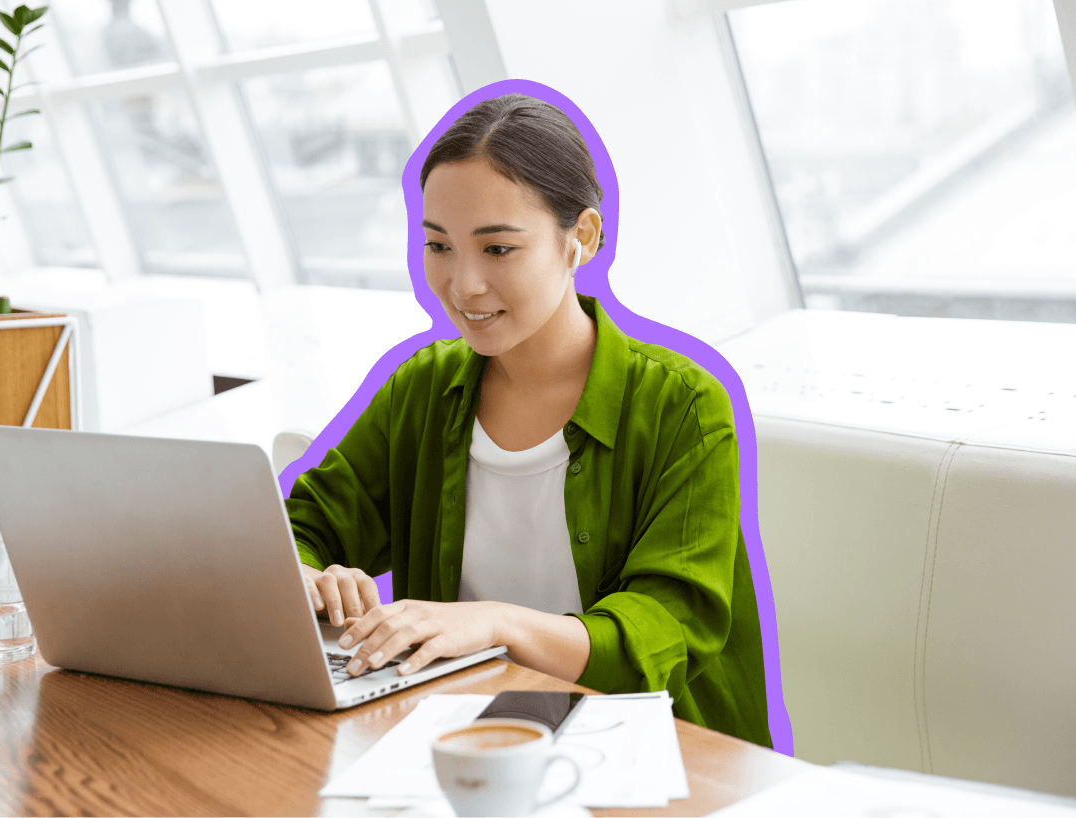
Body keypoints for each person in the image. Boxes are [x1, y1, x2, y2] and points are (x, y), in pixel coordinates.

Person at [284, 92, 772, 748]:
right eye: (438, 245)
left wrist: (496, 624)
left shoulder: (683, 405)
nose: (462, 285)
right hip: (464, 741)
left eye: (499, 250)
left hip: (656, 751)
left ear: (583, 239)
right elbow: (299, 527)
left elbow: (664, 629)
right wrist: (314, 580)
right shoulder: (422, 389)